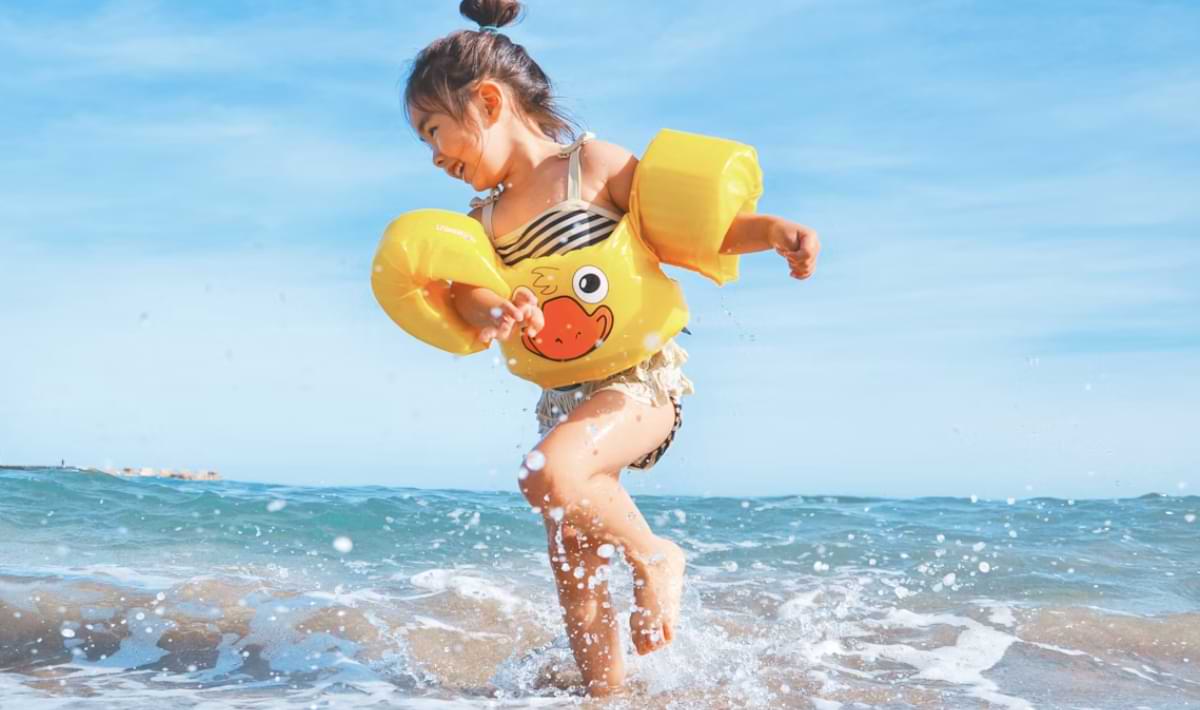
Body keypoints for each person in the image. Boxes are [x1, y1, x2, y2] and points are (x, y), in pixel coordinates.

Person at [402, 0, 819, 696]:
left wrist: (770, 229)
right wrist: (496, 306)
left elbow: (695, 227)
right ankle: (607, 694)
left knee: (545, 475)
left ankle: (656, 558)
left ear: (487, 101)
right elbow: (467, 295)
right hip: (562, 400)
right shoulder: (479, 220)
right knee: (573, 560)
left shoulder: (590, 167)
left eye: (435, 130)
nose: (435, 154)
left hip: (640, 383)